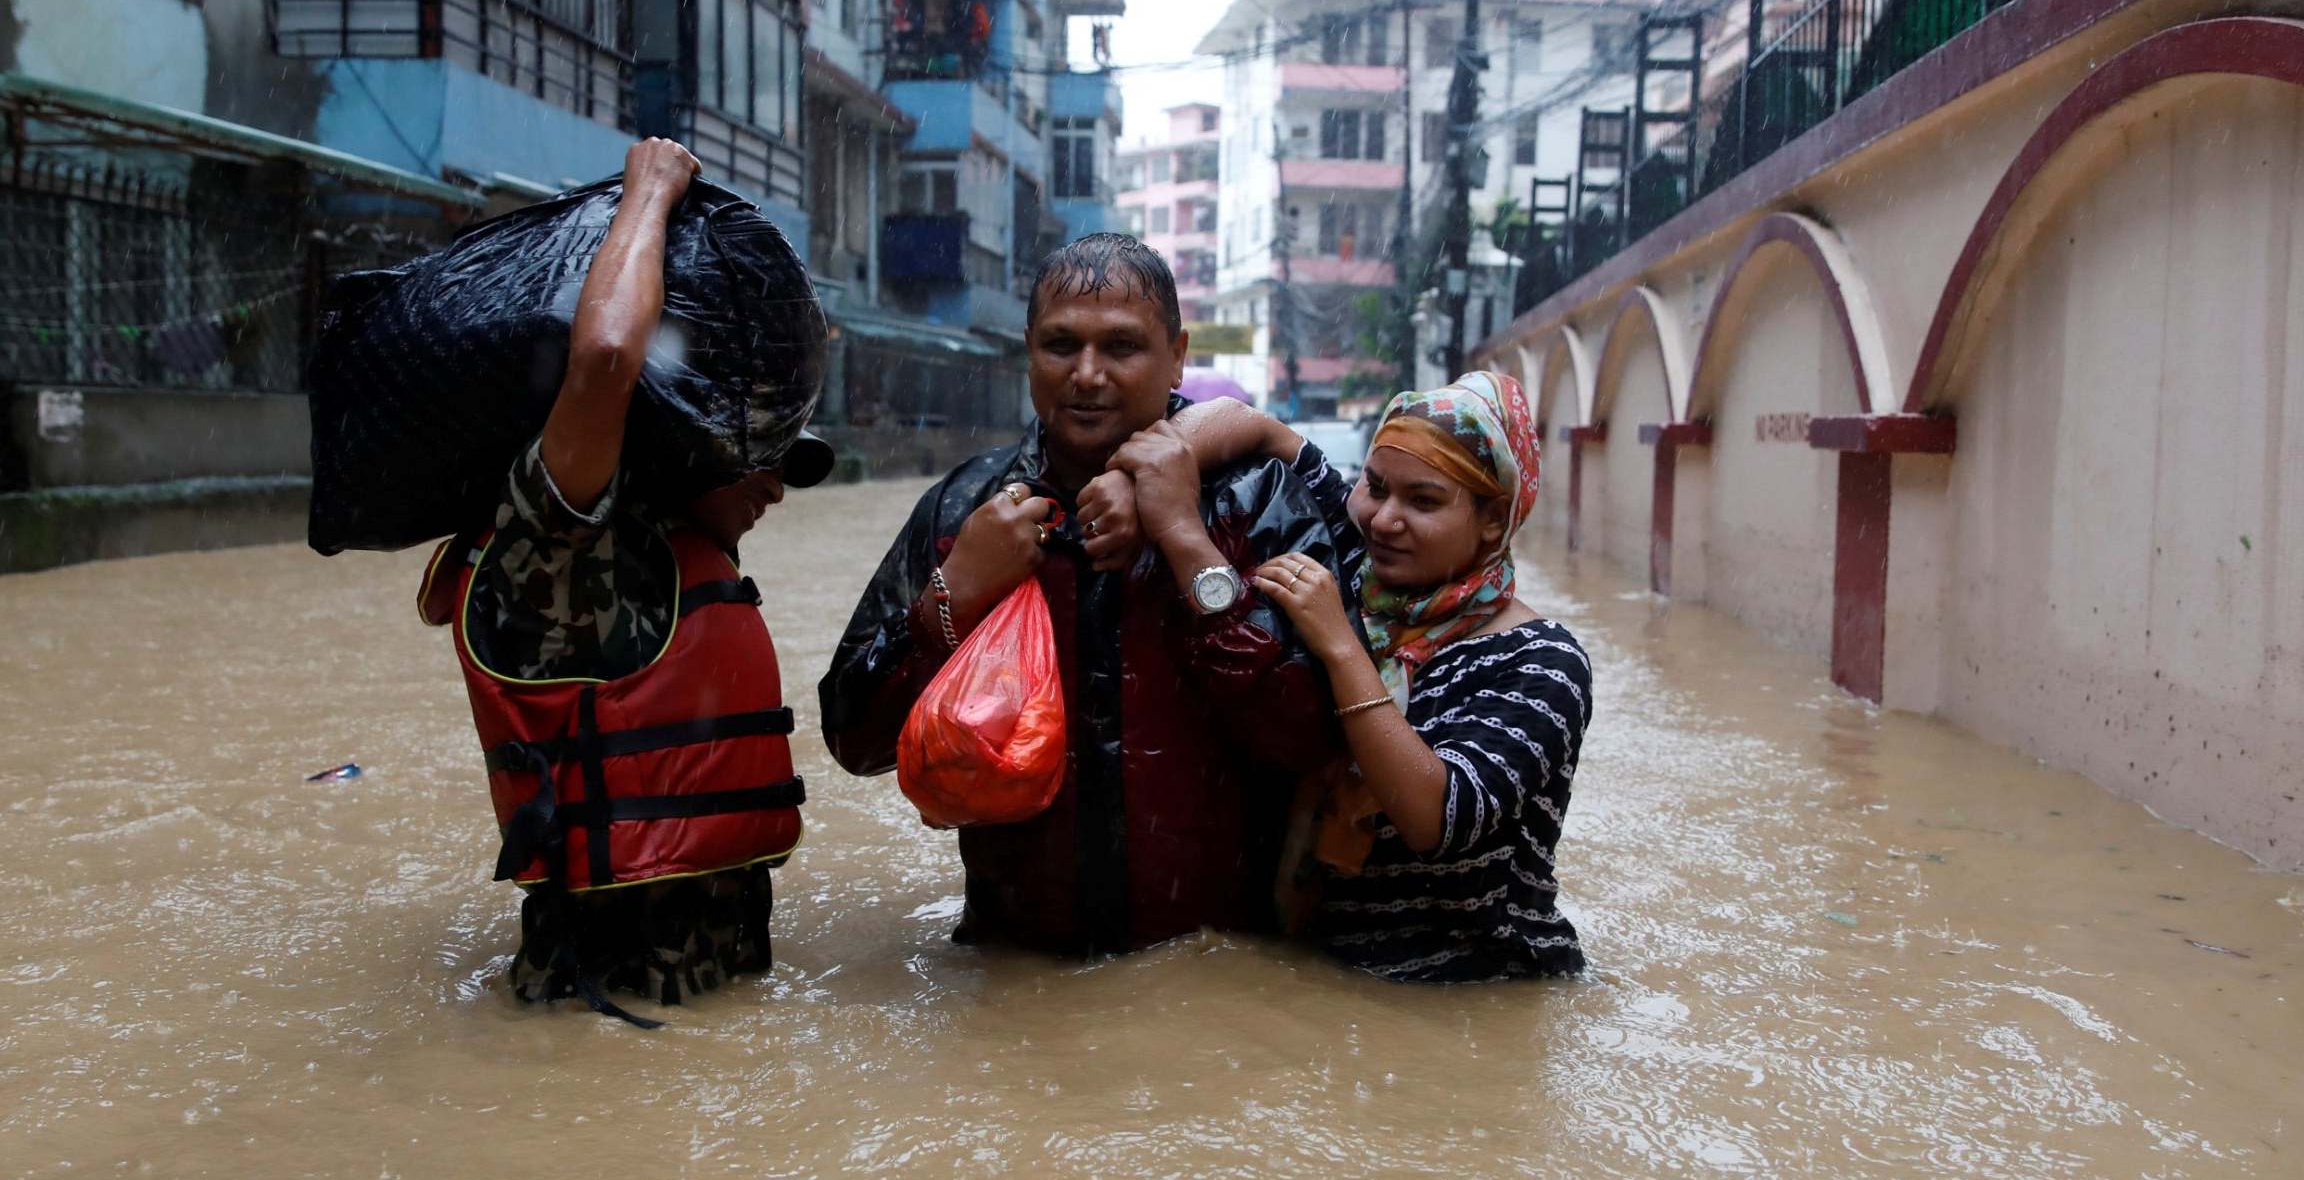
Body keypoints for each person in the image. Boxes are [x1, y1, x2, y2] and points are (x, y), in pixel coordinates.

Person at [819, 234, 1344, 957]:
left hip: (1217, 976)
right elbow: (853, 740)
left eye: (1121, 347)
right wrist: (953, 596)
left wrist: (1186, 540)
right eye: (1060, 344)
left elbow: (1315, 734)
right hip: (1011, 968)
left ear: (1177, 356)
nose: (1086, 375)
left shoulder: (1252, 499)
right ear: (1027, 350)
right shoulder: (967, 510)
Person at [417, 138, 832, 1026]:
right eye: (754, 457)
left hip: (697, 1015)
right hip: (605, 1011)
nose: (773, 485)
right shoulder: (564, 551)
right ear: (678, 450)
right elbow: (607, 358)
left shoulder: (663, 568)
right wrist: (651, 188)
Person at [1108, 372, 1591, 984]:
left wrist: (1338, 646)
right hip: (1326, 972)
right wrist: (1133, 481)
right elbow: (1247, 423)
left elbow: (1435, 818)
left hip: (1472, 990)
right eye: (1376, 486)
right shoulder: (1353, 554)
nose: (1384, 519)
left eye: (1424, 501)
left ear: (1494, 519)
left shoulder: (1539, 659)